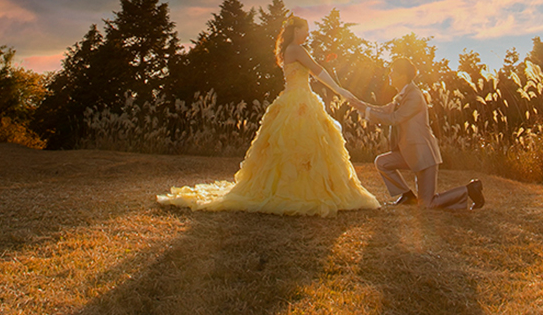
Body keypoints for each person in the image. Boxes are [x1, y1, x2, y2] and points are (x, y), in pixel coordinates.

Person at [157, 15, 380, 217]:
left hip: (294, 99)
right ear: (296, 30)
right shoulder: (296, 49)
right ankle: (297, 191)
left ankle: (295, 188)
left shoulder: (289, 50)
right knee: (302, 146)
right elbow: (317, 70)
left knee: (296, 148)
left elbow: (312, 67)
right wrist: (341, 91)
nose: (308, 33)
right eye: (305, 29)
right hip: (300, 102)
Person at [348, 57, 485, 210]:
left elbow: (395, 118)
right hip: (409, 154)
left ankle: (469, 190)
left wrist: (366, 111)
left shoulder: (414, 96)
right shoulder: (402, 95)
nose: (390, 75)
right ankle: (407, 195)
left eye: (393, 72)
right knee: (382, 162)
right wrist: (360, 105)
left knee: (427, 204)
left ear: (403, 76)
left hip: (423, 156)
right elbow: (385, 110)